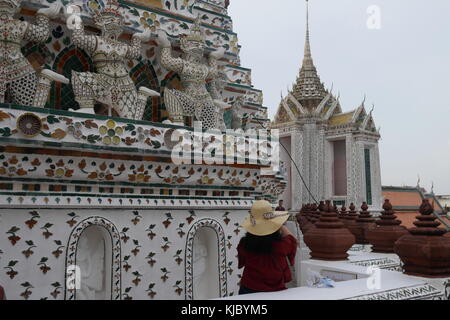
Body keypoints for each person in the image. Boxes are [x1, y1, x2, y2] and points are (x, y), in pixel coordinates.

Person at [237, 200, 297, 295]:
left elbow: (242, 261)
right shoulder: (281, 244)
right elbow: (293, 240)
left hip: (249, 287)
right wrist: (278, 224)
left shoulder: (244, 243)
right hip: (275, 289)